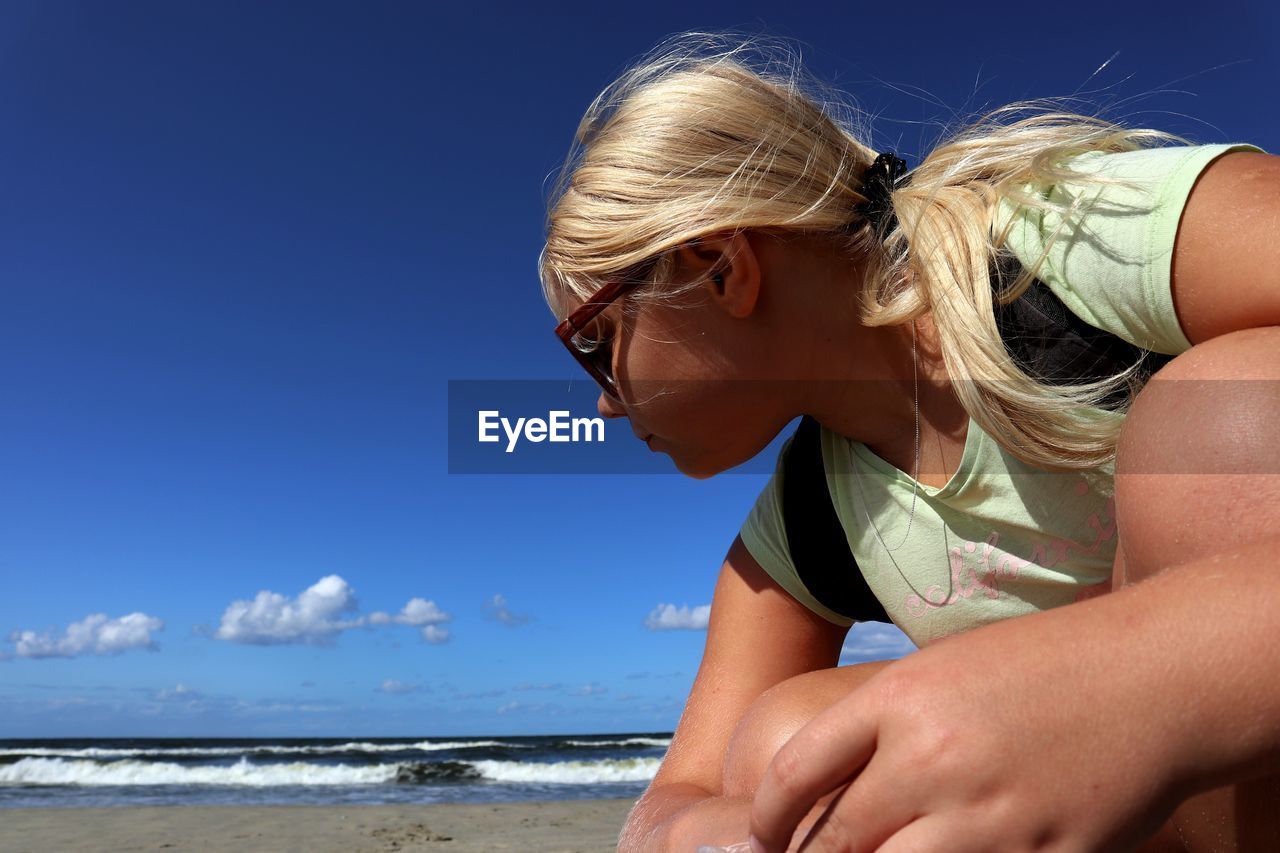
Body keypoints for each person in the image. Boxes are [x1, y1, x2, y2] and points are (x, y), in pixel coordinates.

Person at [539, 33, 1279, 852]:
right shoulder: (809, 517)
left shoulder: (1064, 241)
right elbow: (666, 810)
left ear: (718, 266)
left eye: (594, 342)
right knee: (786, 743)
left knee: (1234, 421)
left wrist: (1141, 681)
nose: (602, 404)